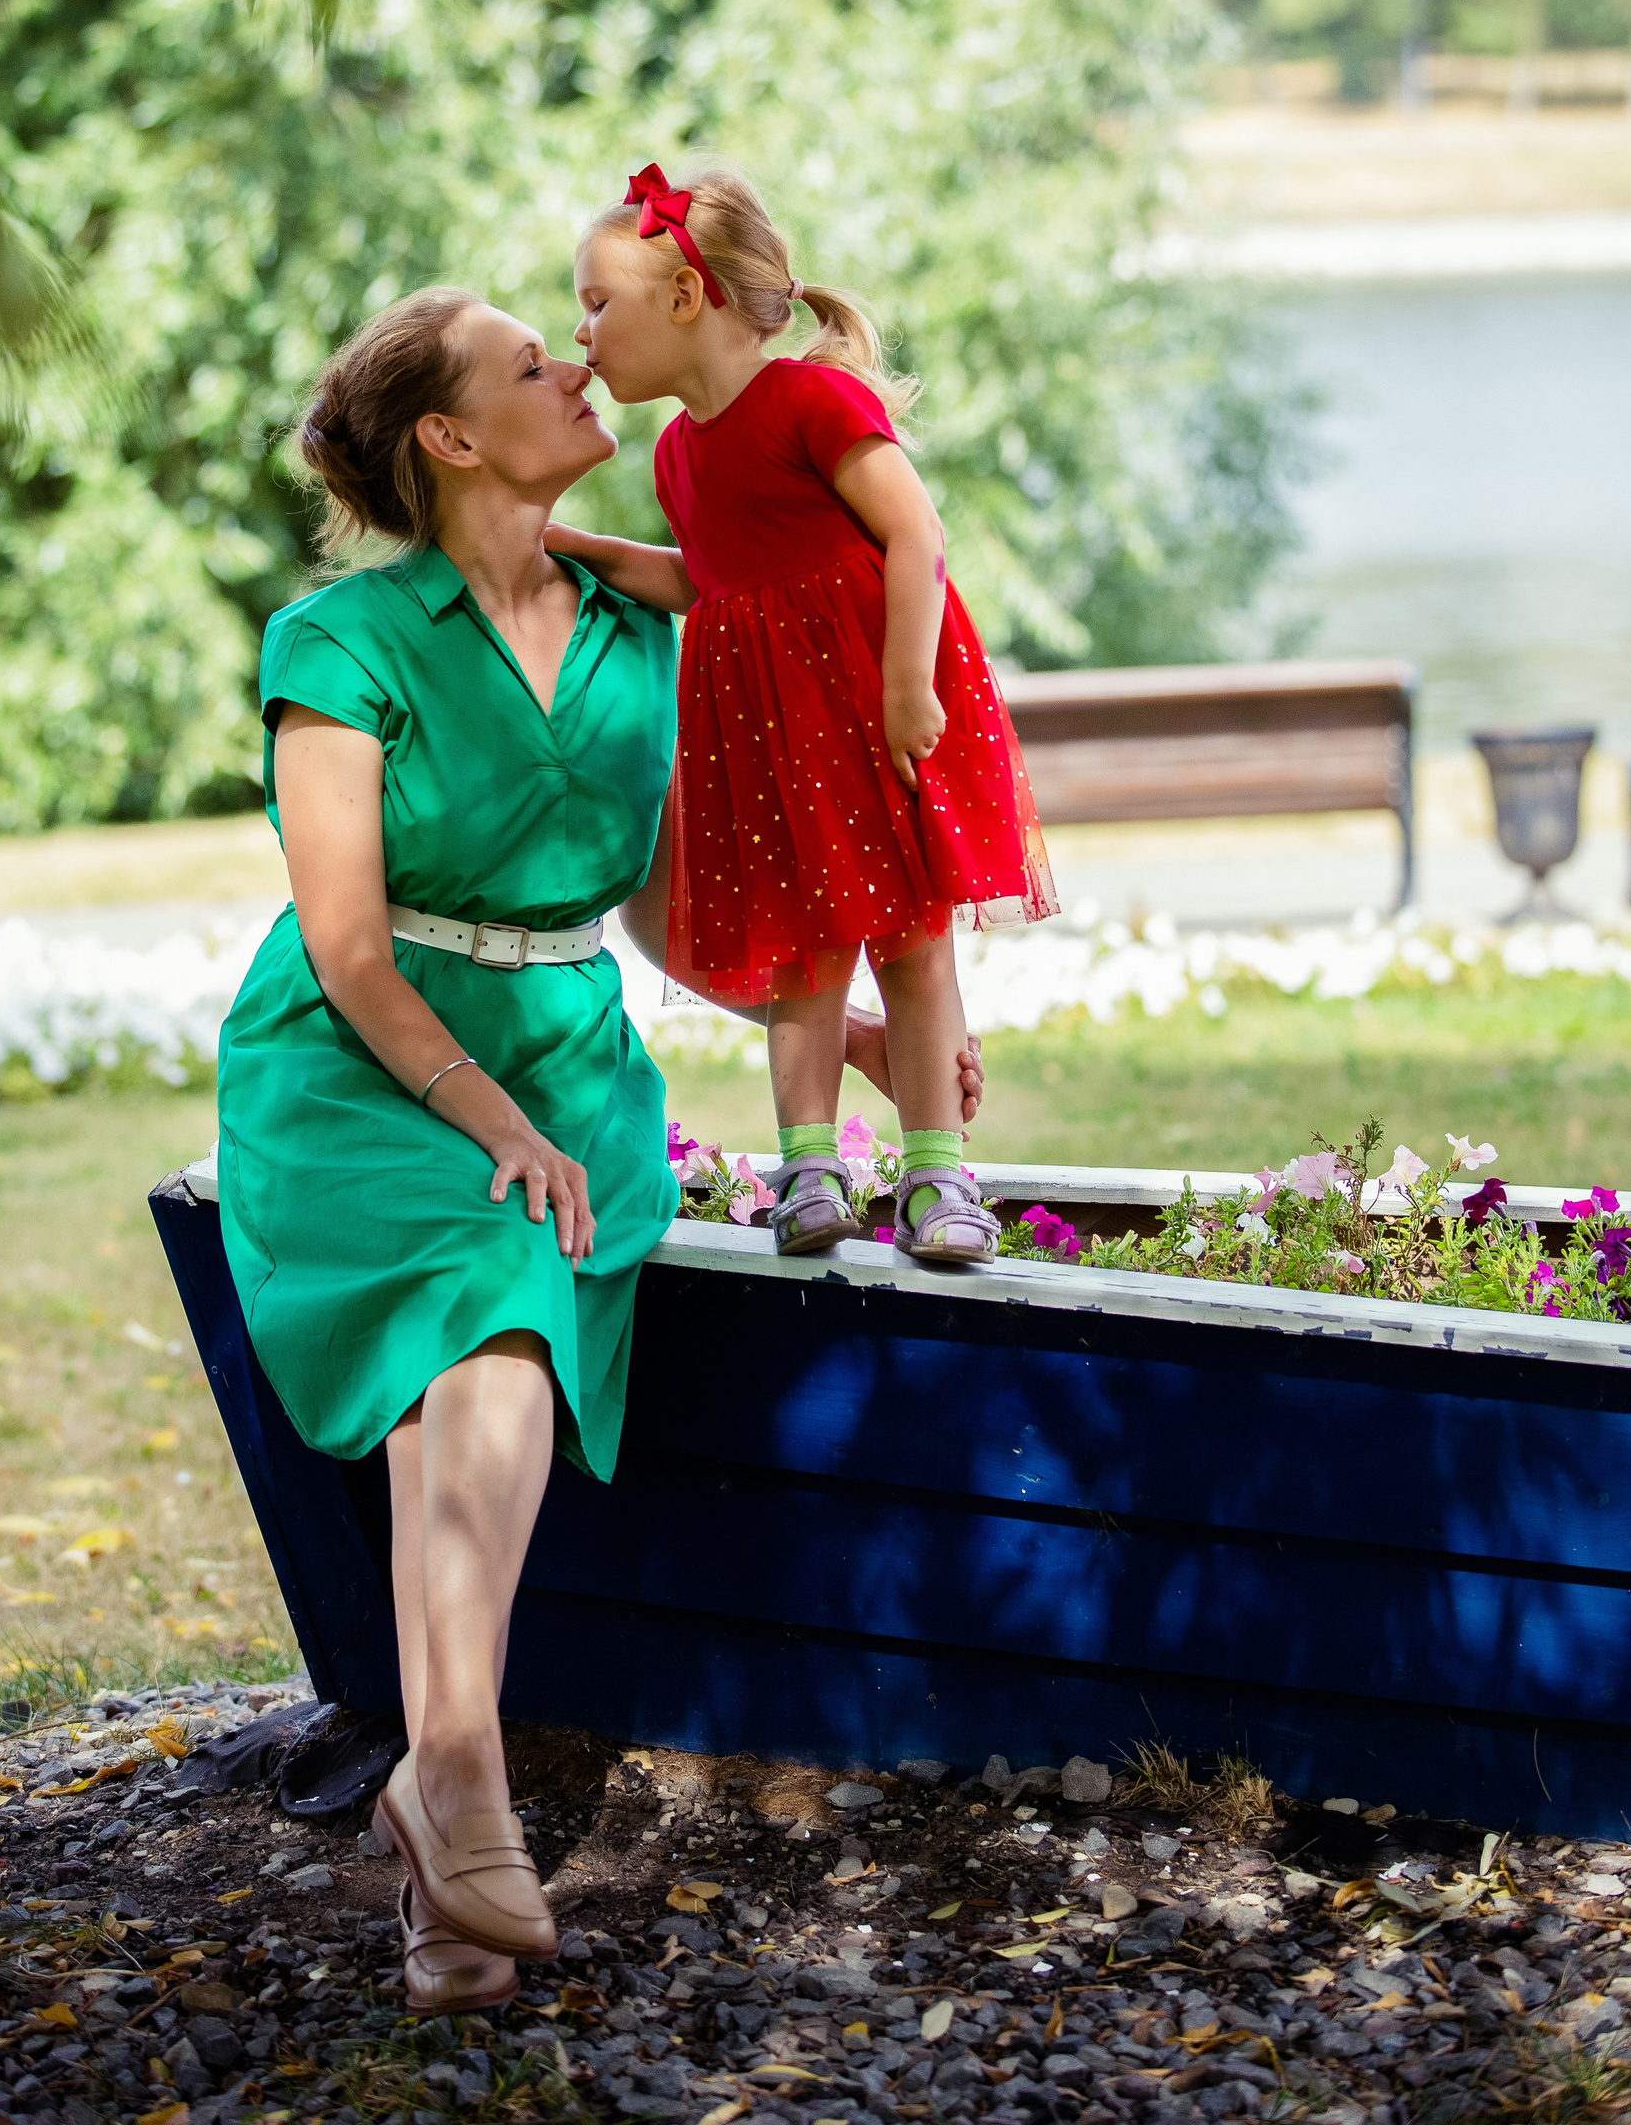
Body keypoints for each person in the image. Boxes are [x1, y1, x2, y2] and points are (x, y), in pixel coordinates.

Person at [215, 283, 983, 2015]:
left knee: (470, 1376)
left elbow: (647, 901)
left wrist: (856, 1037)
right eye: (528, 361)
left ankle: (444, 1850)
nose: (574, 366)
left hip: (568, 1076)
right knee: (492, 1296)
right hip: (362, 1075)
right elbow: (348, 948)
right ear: (449, 436)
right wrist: (488, 1120)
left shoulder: (641, 629)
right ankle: (462, 1774)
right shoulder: (339, 642)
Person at [551, 161, 1054, 1270]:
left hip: (871, 716)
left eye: (597, 303)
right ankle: (811, 1169)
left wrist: (907, 686)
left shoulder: (812, 403)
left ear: (686, 297)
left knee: (913, 948)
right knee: (803, 962)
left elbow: (915, 534)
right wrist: (583, 548)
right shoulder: (678, 453)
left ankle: (937, 1174)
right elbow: (708, 582)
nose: (580, 334)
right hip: (772, 743)